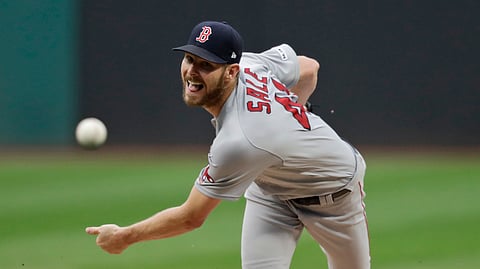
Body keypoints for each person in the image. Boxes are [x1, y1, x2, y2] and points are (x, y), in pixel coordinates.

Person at [86, 21, 370, 269]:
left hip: (334, 192)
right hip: (271, 190)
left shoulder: (240, 141)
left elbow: (191, 217)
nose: (192, 72)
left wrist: (126, 236)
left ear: (232, 71)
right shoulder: (250, 63)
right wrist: (292, 113)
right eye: (189, 58)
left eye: (206, 65)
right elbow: (308, 67)